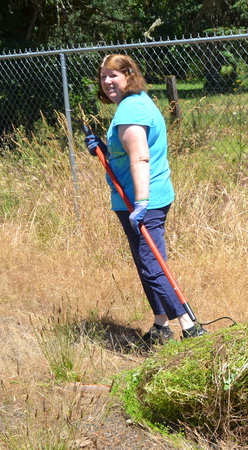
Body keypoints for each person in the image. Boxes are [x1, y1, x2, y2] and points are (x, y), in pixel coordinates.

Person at [84, 53, 205, 345]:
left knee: (152, 266)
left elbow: (140, 157)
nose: (108, 81)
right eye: (103, 76)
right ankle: (160, 326)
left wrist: (140, 202)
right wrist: (103, 149)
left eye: (114, 75)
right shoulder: (136, 104)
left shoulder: (130, 111)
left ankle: (192, 329)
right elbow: (127, 153)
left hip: (141, 201)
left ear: (129, 75)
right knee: (148, 263)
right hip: (143, 197)